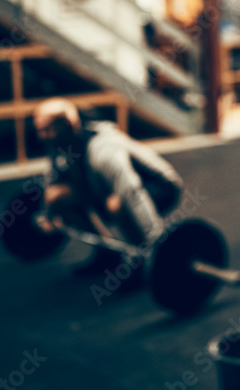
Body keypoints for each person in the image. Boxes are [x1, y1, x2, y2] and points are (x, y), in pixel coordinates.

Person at [33, 98, 181, 270]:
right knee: (57, 195)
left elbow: (132, 191)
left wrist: (158, 244)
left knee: (115, 204)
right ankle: (107, 255)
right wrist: (49, 216)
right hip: (106, 189)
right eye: (39, 130)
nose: (42, 136)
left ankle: (140, 261)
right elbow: (53, 182)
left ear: (68, 124)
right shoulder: (59, 145)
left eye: (47, 130)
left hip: (159, 186)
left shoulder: (103, 150)